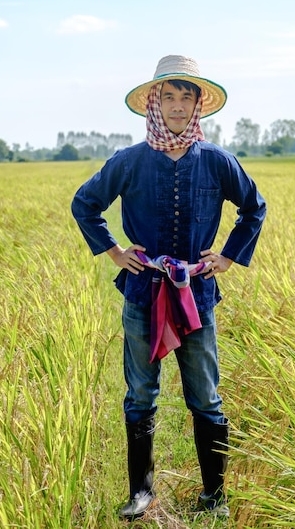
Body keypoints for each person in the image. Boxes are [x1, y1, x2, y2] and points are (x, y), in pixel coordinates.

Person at [71, 55, 266, 520]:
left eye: (187, 97)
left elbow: (254, 208)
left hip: (196, 298)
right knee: (140, 394)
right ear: (154, 103)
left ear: (199, 104)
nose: (178, 106)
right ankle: (142, 492)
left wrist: (228, 256)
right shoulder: (129, 161)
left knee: (206, 396)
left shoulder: (218, 162)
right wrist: (115, 252)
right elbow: (85, 203)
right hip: (143, 294)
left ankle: (214, 497)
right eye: (169, 96)